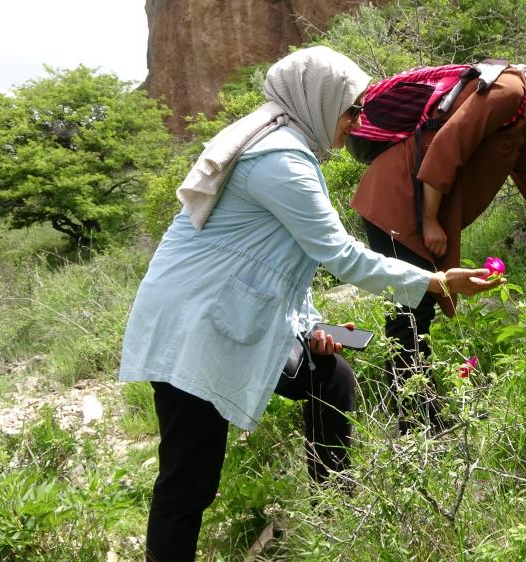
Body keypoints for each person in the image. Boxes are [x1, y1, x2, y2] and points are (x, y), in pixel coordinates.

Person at [118, 46, 503, 562]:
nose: (357, 122)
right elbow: (338, 254)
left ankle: (335, 514)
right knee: (188, 482)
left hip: (234, 312)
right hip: (195, 324)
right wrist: (437, 282)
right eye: (351, 109)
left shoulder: (277, 142)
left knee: (330, 373)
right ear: (316, 101)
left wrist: (312, 325)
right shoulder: (278, 158)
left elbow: (273, 260)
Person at [350, 43, 526, 432]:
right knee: (410, 312)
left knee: (417, 311)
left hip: (405, 202)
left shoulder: (518, 112)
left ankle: (424, 417)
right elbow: (448, 143)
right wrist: (430, 219)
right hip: (397, 203)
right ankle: (416, 426)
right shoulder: (511, 92)